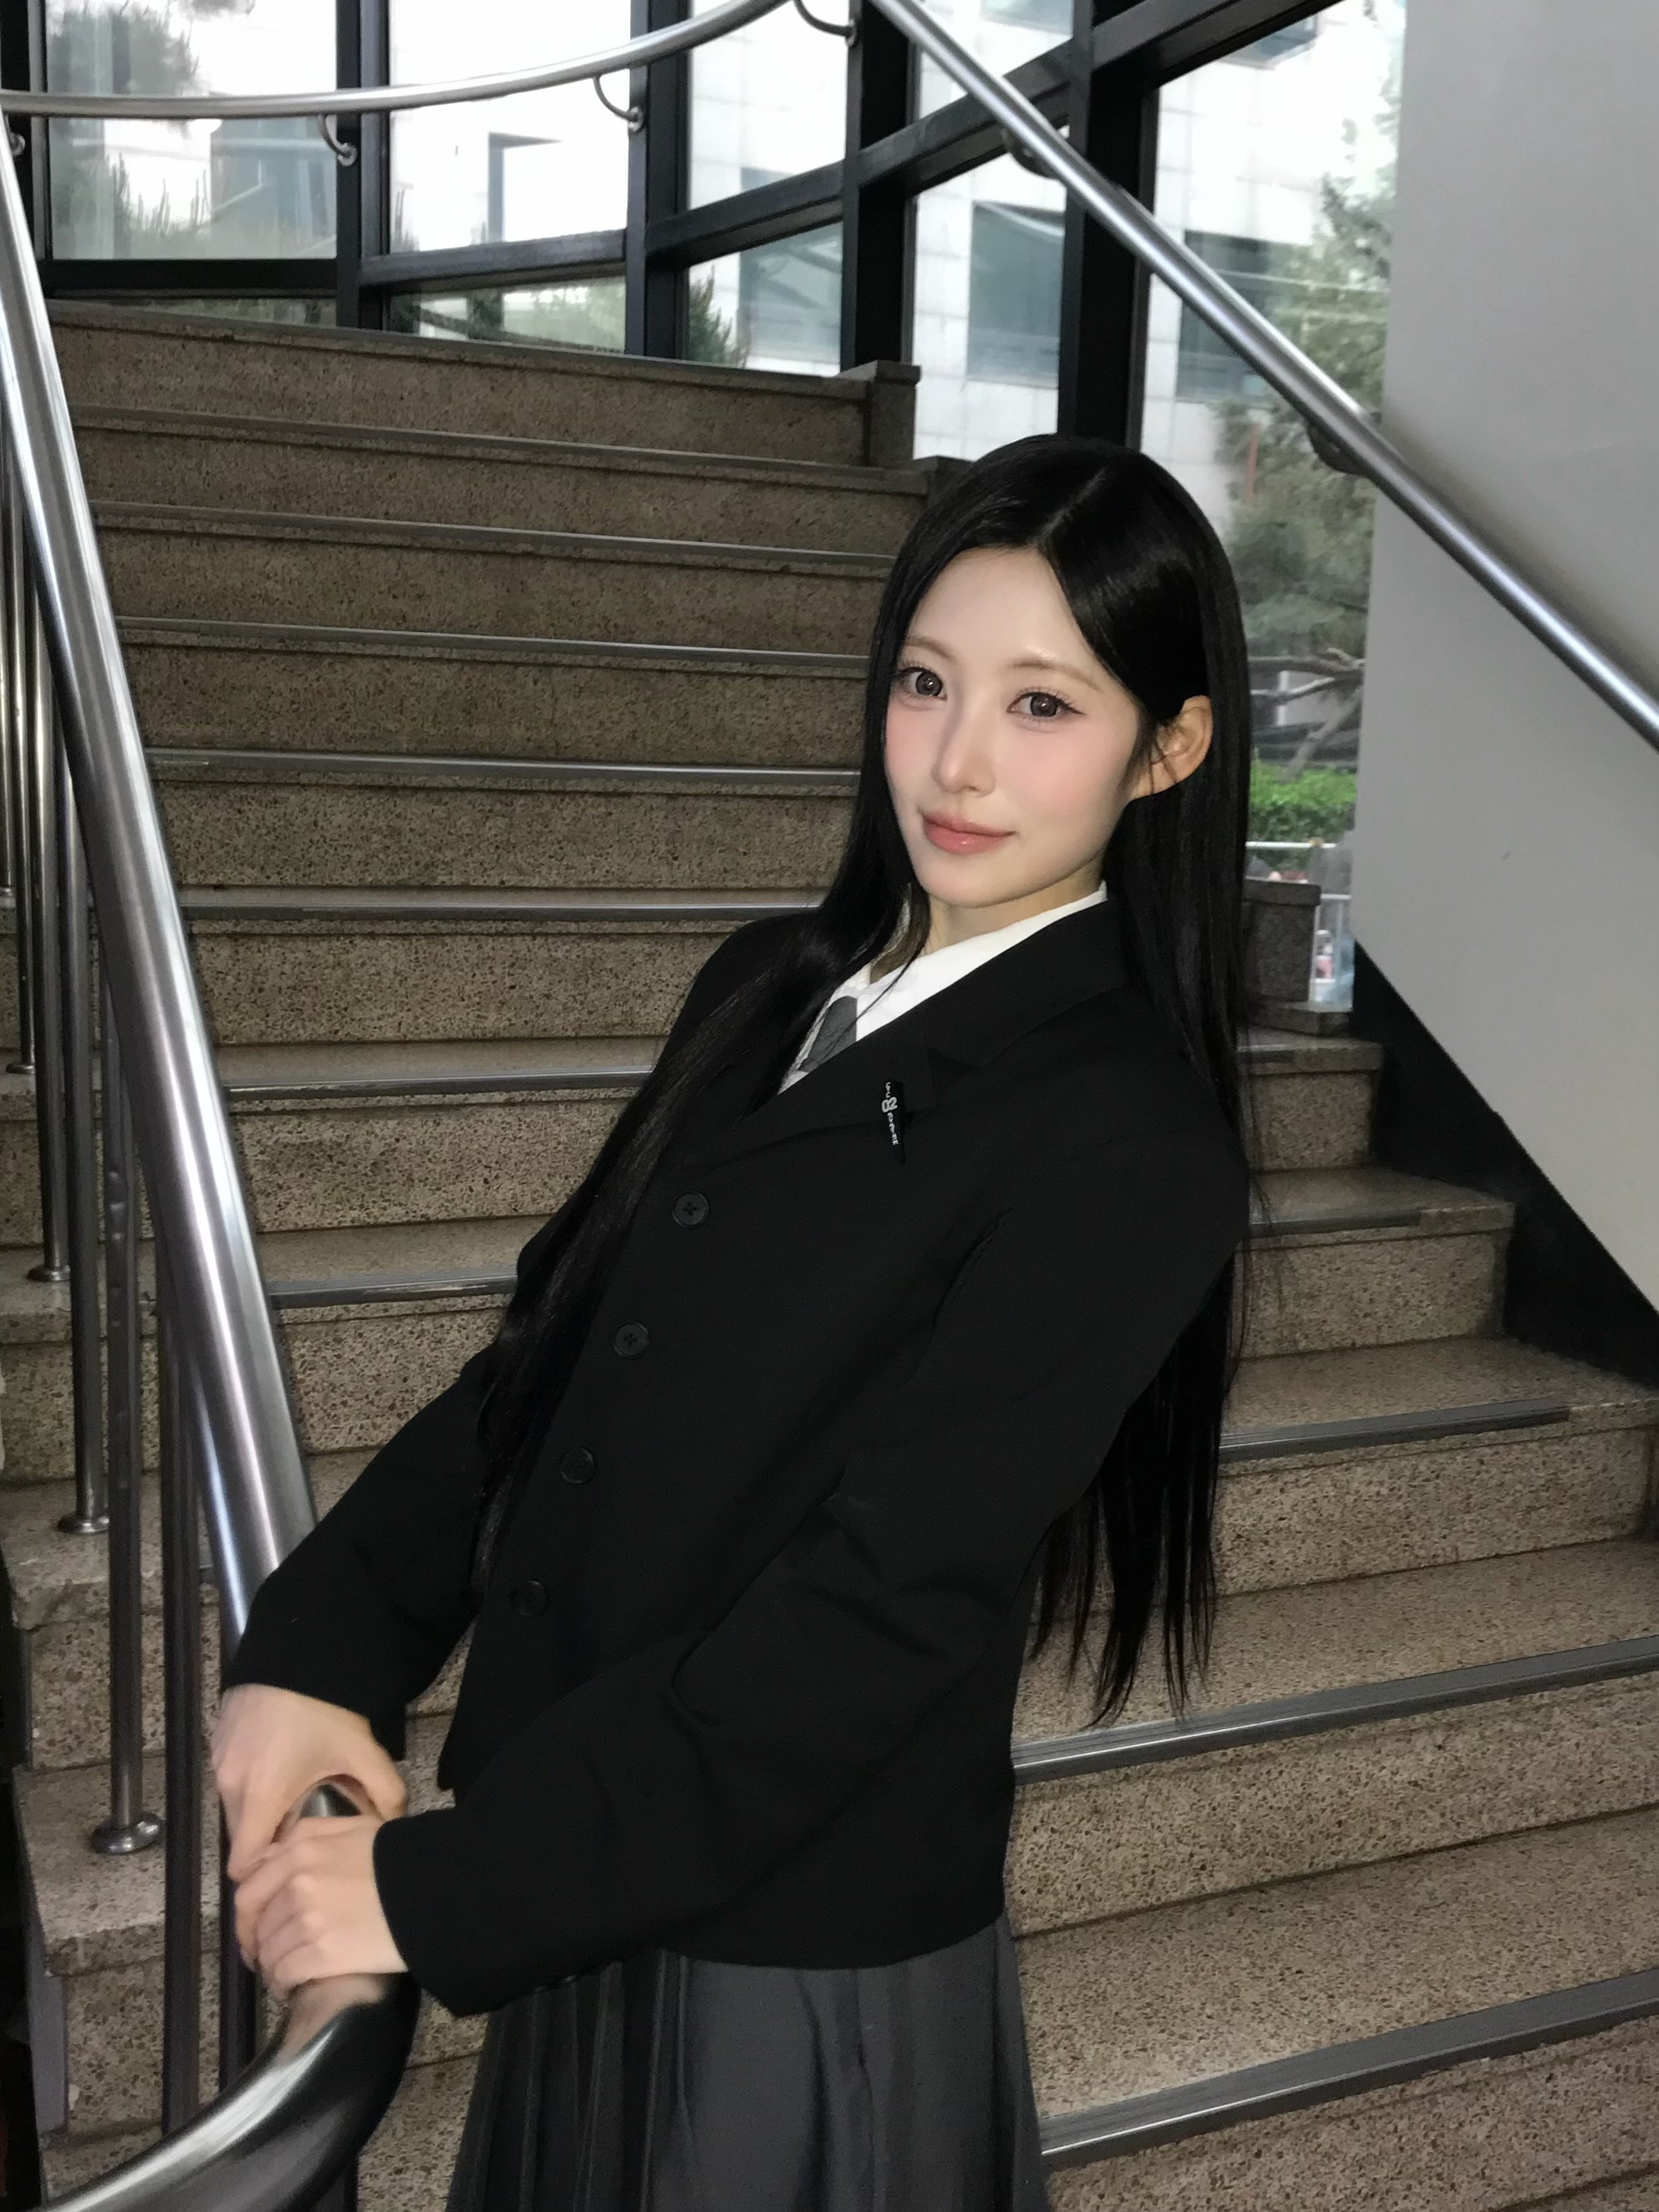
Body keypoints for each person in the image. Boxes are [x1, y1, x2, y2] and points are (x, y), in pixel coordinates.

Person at [213, 433, 1259, 2212]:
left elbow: (882, 1608)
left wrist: (446, 1888)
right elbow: (544, 1364)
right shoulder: (772, 982)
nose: (955, 760)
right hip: (599, 1865)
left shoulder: (1126, 1136)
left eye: (1041, 705)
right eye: (924, 682)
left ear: (1168, 746)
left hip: (788, 1955)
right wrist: (324, 1641)